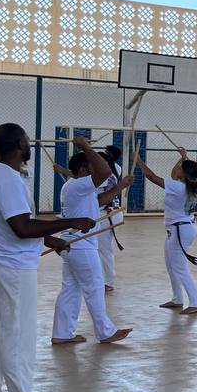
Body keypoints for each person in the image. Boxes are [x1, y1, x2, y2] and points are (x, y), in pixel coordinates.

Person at [0, 123, 94, 392]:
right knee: (18, 339)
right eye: (27, 141)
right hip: (13, 270)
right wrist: (68, 221)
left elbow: (9, 227)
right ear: (18, 144)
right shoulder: (9, 179)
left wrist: (51, 240)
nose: (29, 145)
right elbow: (22, 226)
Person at [50, 136, 133, 346]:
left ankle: (62, 333)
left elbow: (100, 201)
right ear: (82, 170)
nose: (94, 171)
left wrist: (121, 185)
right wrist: (85, 146)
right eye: (89, 167)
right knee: (94, 286)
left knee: (70, 289)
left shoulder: (76, 187)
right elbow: (104, 171)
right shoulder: (77, 185)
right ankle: (105, 332)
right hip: (80, 244)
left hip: (72, 243)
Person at [138, 146, 197, 315]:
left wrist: (138, 161)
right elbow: (174, 173)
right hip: (179, 228)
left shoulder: (178, 187)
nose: (178, 169)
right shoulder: (185, 185)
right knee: (170, 264)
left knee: (179, 267)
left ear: (185, 174)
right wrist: (183, 157)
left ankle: (194, 303)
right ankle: (177, 299)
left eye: (181, 167)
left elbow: (151, 177)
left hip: (180, 229)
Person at [97, 144, 124, 290]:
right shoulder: (117, 169)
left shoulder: (102, 175)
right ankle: (102, 278)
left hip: (106, 214)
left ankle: (108, 281)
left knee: (104, 249)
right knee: (101, 248)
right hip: (114, 213)